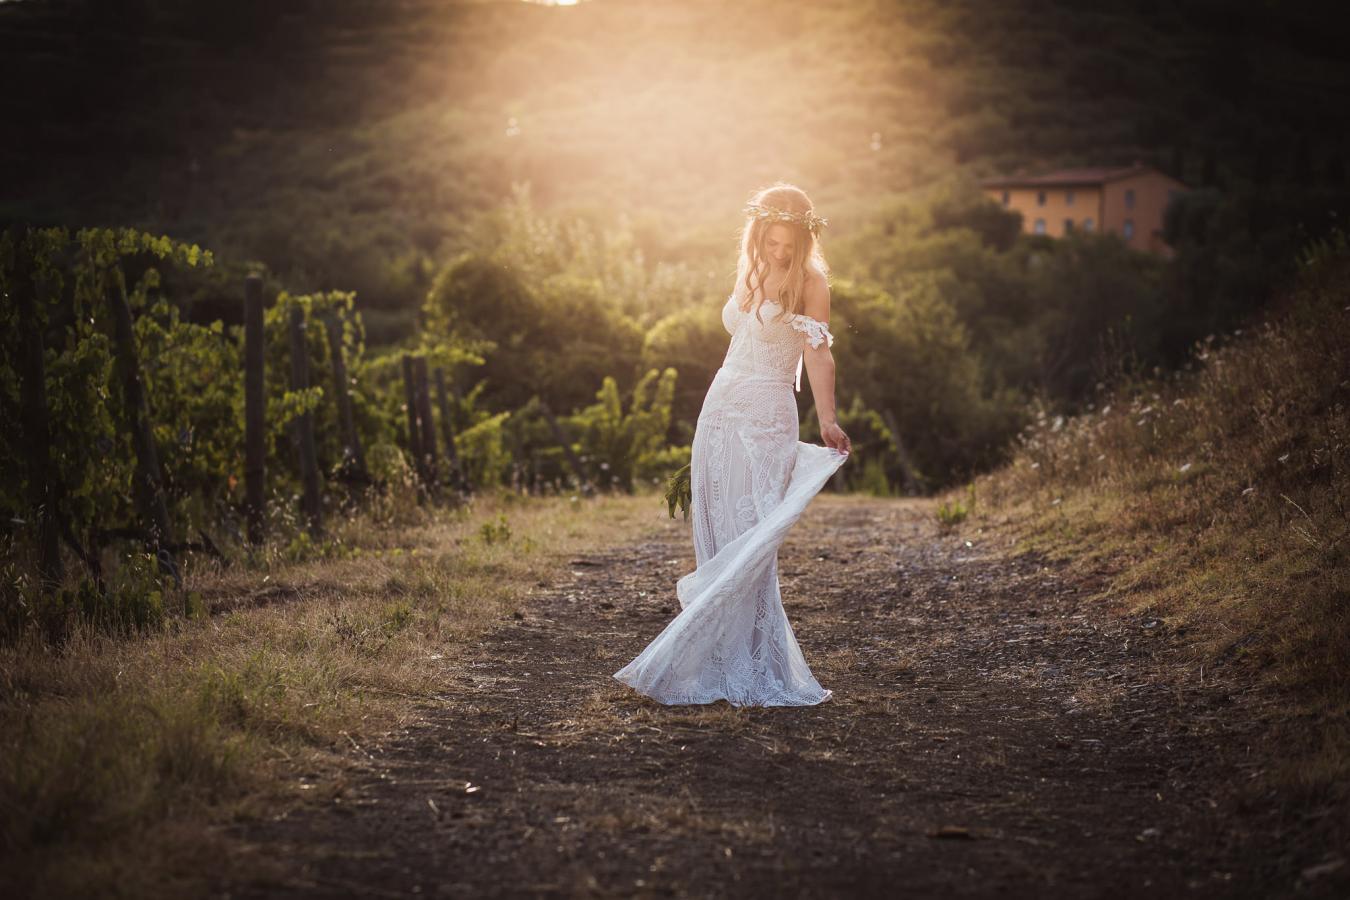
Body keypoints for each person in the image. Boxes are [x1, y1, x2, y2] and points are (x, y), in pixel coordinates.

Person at [613, 182, 851, 707]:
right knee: (720, 528)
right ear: (759, 233)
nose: (780, 252)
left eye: (789, 244)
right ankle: (718, 655)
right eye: (772, 241)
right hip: (720, 407)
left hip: (767, 413)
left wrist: (828, 419)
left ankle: (754, 662)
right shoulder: (752, 268)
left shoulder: (811, 282)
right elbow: (738, 339)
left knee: (754, 529)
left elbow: (818, 355)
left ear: (806, 240)